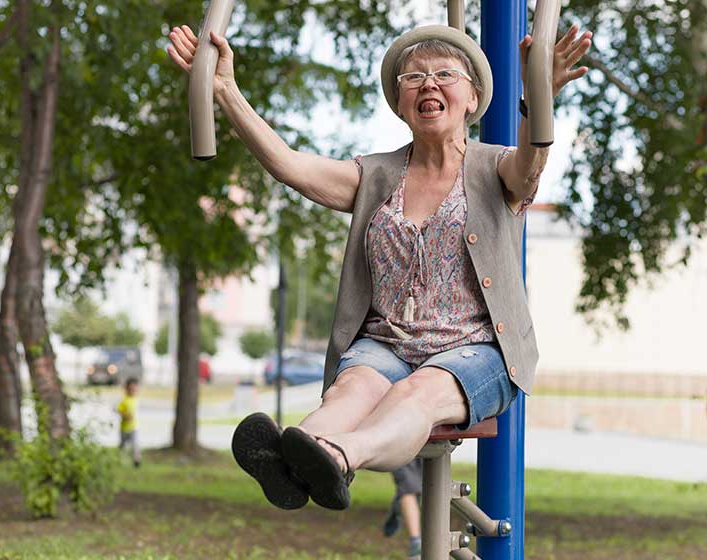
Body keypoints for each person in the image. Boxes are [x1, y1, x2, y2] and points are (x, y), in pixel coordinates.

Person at [167, 21, 592, 511]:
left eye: (444, 75)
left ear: (473, 98)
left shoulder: (495, 167)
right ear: (399, 101)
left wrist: (540, 94)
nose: (428, 83)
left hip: (474, 350)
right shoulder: (376, 174)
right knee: (351, 389)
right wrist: (225, 90)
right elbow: (289, 164)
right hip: (386, 342)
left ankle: (338, 458)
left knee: (417, 392)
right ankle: (293, 453)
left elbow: (531, 163)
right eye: (413, 78)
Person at [383, 459, 423, 560]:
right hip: (399, 446)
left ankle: (397, 507)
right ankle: (416, 545)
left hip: (430, 444)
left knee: (423, 484)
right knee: (408, 486)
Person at [117, 377, 141, 468]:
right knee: (123, 446)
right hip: (124, 429)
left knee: (135, 445)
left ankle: (136, 460)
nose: (133, 391)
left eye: (134, 389)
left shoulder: (136, 399)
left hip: (133, 428)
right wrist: (125, 415)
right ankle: (119, 459)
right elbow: (119, 411)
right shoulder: (124, 400)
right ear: (126, 389)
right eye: (131, 389)